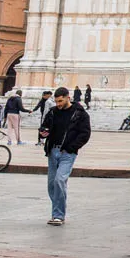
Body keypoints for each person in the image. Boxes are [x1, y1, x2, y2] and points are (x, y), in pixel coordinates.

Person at [38, 87, 91, 226]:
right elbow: (45, 127)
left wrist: (72, 147)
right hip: (52, 151)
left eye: (60, 101)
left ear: (68, 97)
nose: (58, 104)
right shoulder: (53, 112)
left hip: (67, 153)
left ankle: (58, 215)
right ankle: (59, 207)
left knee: (59, 181)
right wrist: (43, 132)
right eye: (56, 101)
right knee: (51, 185)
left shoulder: (80, 114)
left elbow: (85, 134)